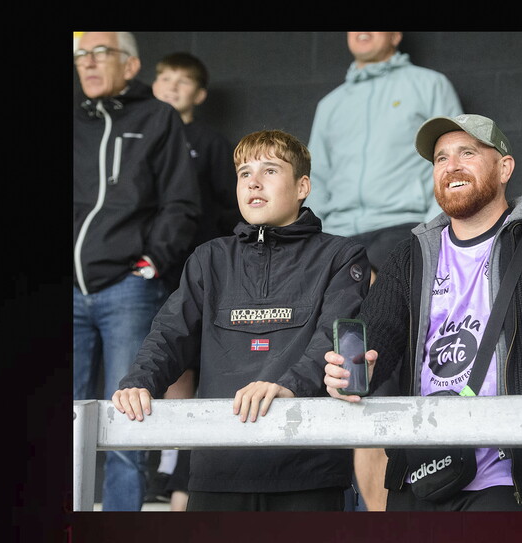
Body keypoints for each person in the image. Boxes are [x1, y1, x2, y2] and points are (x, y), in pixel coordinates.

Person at [323, 113, 522, 512]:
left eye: (467, 153)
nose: (451, 166)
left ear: (504, 168)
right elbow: (374, 340)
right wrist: (353, 372)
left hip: (506, 477)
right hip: (420, 472)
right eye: (441, 158)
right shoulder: (412, 253)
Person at [112, 129, 370, 512]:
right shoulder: (209, 258)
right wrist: (138, 382)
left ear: (303, 186)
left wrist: (287, 387)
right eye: (244, 173)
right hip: (218, 472)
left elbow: (334, 340)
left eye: (270, 170)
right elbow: (169, 333)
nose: (253, 181)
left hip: (308, 473)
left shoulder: (342, 255)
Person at [305, 31, 463, 511]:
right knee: (343, 374)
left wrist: (421, 236)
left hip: (403, 234)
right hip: (339, 241)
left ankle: (381, 515)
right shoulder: (331, 103)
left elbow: (451, 160)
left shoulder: (428, 84)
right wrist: (326, 244)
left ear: (396, 34)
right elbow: (318, 177)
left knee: (378, 374)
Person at [73, 31, 200, 511]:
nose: (88, 63)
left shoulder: (158, 117)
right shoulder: (74, 121)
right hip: (70, 288)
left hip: (127, 287)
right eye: (81, 55)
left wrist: (150, 265)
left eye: (100, 53)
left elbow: (181, 202)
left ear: (130, 65)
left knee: (126, 419)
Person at [146, 51, 239, 511]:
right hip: (143, 272)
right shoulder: (138, 136)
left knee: (189, 363)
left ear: (199, 94)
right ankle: (163, 461)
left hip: (195, 269)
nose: (172, 87)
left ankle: (177, 462)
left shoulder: (210, 141)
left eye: (183, 82)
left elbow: (231, 207)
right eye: (164, 78)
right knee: (157, 364)